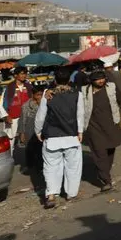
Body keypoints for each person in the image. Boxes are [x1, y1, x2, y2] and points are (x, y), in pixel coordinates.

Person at [34, 67, 84, 209]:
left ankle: (51, 195)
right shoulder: (77, 94)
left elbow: (40, 116)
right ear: (69, 80)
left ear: (55, 80)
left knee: (50, 167)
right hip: (71, 136)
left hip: (52, 137)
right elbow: (80, 115)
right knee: (73, 167)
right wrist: (80, 132)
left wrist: (38, 131)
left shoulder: (47, 94)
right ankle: (71, 194)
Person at [82, 70, 121, 192]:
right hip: (93, 126)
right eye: (98, 79)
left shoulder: (111, 87)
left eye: (103, 78)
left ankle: (104, 172)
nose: (101, 81)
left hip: (111, 123)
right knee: (99, 152)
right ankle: (106, 180)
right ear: (92, 81)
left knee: (110, 148)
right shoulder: (84, 91)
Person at [0, 66, 33, 153]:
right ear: (15, 75)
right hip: (13, 117)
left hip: (26, 117)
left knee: (28, 138)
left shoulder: (29, 87)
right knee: (11, 139)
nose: (24, 75)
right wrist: (6, 116)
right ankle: (10, 158)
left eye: (25, 73)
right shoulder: (9, 88)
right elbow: (2, 103)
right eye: (22, 73)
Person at [18, 86, 45, 175]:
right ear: (33, 95)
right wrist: (22, 133)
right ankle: (30, 166)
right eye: (38, 95)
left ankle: (40, 167)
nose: (40, 97)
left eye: (41, 95)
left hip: (42, 131)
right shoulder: (26, 106)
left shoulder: (46, 104)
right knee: (30, 149)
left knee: (41, 150)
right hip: (29, 131)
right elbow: (22, 120)